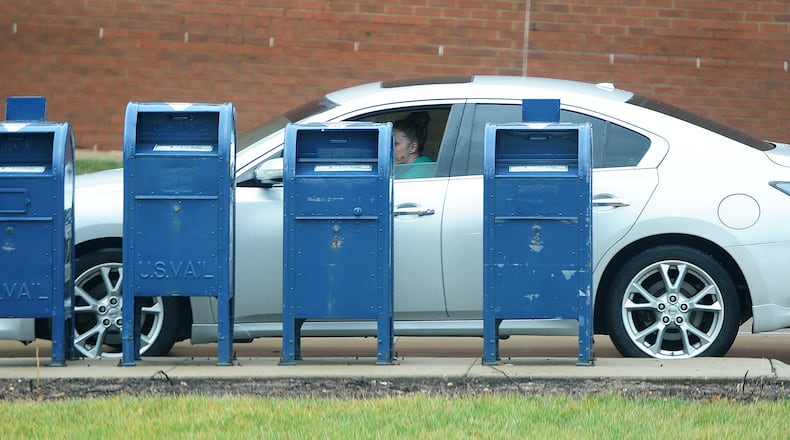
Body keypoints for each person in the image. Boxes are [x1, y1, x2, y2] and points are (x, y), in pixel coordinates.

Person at [393, 112, 434, 178]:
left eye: (395, 144)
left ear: (412, 147)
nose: (389, 149)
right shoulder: (405, 169)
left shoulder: (418, 174)